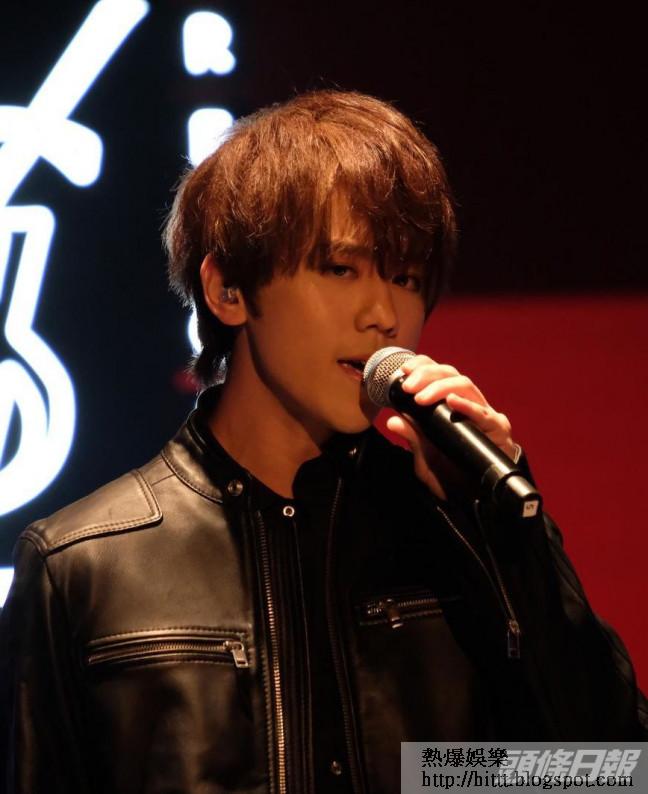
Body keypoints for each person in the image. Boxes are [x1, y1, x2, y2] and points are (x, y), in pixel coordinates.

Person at [0, 90, 645, 794]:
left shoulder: (454, 534)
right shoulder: (84, 565)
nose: (383, 314)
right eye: (341, 269)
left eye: (406, 277)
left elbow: (609, 769)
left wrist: (505, 541)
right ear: (228, 290)